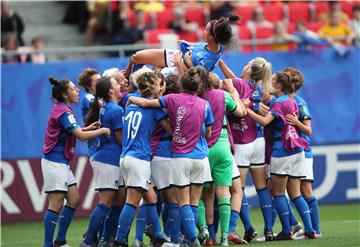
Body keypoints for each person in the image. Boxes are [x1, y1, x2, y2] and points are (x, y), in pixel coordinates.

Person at [128, 67, 215, 247]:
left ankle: (190, 240)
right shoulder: (204, 104)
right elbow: (208, 133)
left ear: (181, 85)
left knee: (180, 201)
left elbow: (145, 104)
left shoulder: (172, 99)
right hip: (201, 157)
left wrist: (129, 97)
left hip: (180, 156)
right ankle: (187, 238)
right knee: (193, 200)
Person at [245, 71, 316, 240]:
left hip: (281, 150)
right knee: (296, 193)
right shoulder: (291, 101)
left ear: (278, 85)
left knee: (278, 193)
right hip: (296, 150)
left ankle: (286, 231)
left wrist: (246, 110)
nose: (270, 84)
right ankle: (310, 229)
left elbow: (264, 121)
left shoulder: (279, 103)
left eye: (273, 81)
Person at [42, 76, 110, 247]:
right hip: (54, 162)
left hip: (61, 162)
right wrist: (102, 130)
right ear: (65, 94)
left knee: (73, 200)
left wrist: (88, 128)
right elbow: (80, 136)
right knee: (55, 204)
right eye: (73, 89)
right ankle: (48, 244)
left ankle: (60, 241)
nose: (77, 91)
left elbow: (75, 131)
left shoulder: (62, 109)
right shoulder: (63, 112)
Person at [113, 72, 172, 247]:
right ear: (153, 87)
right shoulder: (154, 108)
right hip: (139, 158)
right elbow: (169, 128)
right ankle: (120, 240)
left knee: (151, 198)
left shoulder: (131, 100)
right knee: (132, 200)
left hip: (127, 156)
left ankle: (159, 237)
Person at [219, 57, 274, 242]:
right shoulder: (259, 88)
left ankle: (241, 228)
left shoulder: (236, 83)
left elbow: (226, 82)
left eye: (247, 64)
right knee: (261, 188)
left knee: (237, 188)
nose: (244, 66)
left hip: (242, 141)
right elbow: (236, 80)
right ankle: (268, 229)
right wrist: (220, 62)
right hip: (258, 140)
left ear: (250, 69)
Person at [197, 68, 247, 246]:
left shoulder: (198, 96)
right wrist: (233, 93)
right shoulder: (223, 95)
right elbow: (241, 112)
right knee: (224, 193)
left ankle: (209, 236)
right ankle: (225, 237)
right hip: (223, 146)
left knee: (205, 195)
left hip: (203, 147)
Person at [81, 76, 125, 247]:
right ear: (110, 91)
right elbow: (121, 139)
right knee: (106, 201)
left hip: (109, 158)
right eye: (116, 84)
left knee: (120, 199)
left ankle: (107, 239)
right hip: (109, 159)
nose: (120, 85)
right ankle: (89, 241)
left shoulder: (106, 108)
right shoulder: (116, 110)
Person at [128, 14, 240, 76]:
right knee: (136, 57)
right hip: (175, 55)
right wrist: (187, 44)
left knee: (144, 74)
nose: (203, 32)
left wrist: (187, 62)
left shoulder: (207, 60)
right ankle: (127, 74)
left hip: (177, 69)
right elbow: (202, 48)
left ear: (211, 37)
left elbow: (197, 80)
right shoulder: (216, 46)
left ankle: (129, 86)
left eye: (205, 30)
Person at [284, 67, 321, 238]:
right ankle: (295, 226)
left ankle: (315, 230)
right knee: (277, 189)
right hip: (288, 152)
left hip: (302, 150)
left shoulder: (300, 103)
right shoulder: (282, 101)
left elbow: (308, 130)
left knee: (305, 190)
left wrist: (296, 123)